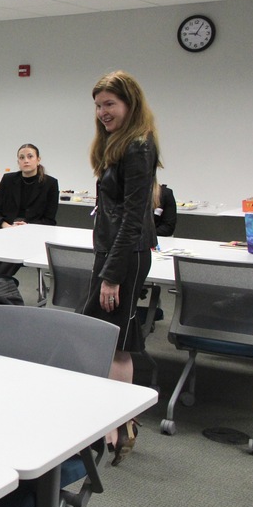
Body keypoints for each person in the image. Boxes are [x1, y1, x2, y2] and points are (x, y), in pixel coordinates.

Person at [81, 70, 162, 465]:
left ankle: (120, 424)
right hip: (112, 251)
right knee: (104, 334)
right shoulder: (116, 143)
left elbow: (133, 217)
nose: (102, 112)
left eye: (109, 104)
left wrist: (112, 274)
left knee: (119, 341)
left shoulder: (138, 147)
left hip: (126, 255)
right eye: (98, 105)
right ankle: (113, 420)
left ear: (130, 103)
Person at [0, 143, 59, 276]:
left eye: (30, 156)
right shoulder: (8, 180)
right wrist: (6, 226)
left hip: (31, 236)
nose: (26, 160)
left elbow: (49, 221)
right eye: (22, 157)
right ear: (18, 162)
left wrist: (27, 227)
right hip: (6, 233)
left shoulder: (50, 184)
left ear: (38, 160)